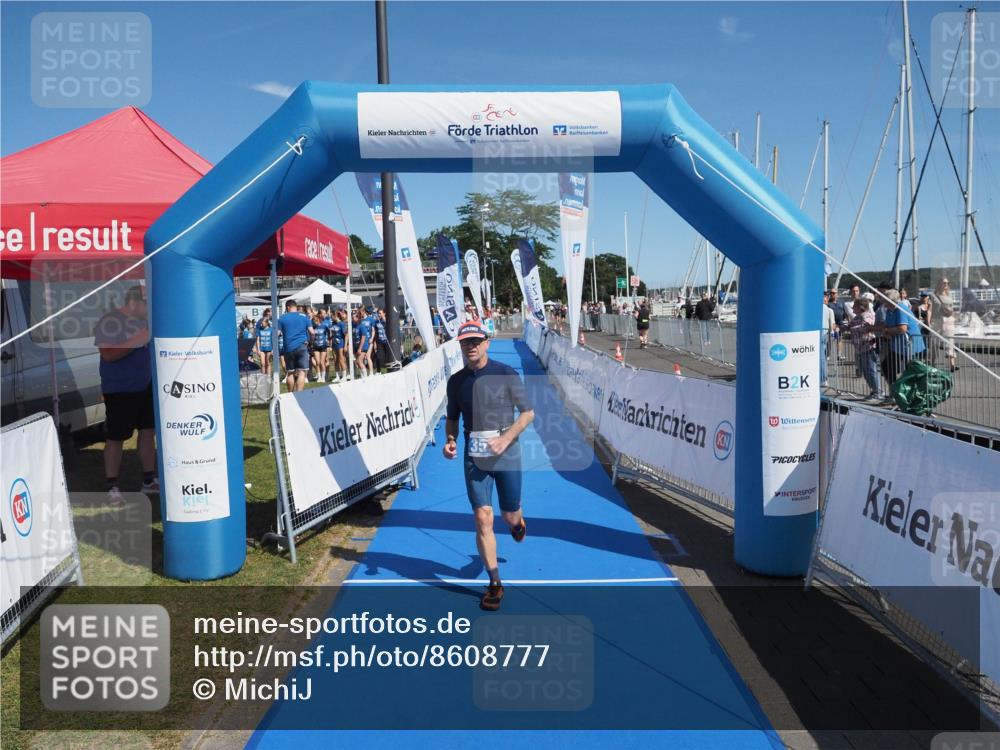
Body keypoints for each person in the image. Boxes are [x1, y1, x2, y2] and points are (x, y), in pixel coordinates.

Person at [443, 321, 535, 612]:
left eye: (475, 341)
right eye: (465, 343)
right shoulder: (456, 381)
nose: (470, 346)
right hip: (474, 455)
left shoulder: (505, 373)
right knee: (483, 518)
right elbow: (452, 418)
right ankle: (495, 583)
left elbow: (528, 413)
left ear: (487, 343)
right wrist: (450, 440)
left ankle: (518, 523)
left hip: (506, 452)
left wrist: (505, 438)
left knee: (508, 516)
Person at [93, 285, 158, 505]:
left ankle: (149, 481)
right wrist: (138, 340)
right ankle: (112, 486)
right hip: (119, 389)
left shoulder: (146, 322)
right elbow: (108, 354)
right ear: (134, 302)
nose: (149, 308)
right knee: (116, 438)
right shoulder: (109, 321)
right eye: (146, 303)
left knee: (148, 432)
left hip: (146, 386)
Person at [881, 289, 926, 386]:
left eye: (884, 299)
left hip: (910, 346)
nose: (882, 301)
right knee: (887, 366)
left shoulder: (901, 309)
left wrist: (888, 331)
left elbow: (902, 328)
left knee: (910, 372)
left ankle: (907, 393)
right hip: (898, 346)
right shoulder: (889, 310)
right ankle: (895, 390)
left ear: (890, 300)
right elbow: (887, 325)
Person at [848, 296, 882, 400]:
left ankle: (878, 391)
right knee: (865, 371)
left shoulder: (868, 316)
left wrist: (853, 328)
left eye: (855, 307)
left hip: (868, 347)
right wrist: (843, 326)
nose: (853, 309)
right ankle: (874, 390)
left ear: (861, 307)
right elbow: (850, 325)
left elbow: (868, 327)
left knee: (871, 370)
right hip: (859, 348)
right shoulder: (857, 317)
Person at [277, 299, 314, 392]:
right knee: (302, 372)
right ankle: (299, 394)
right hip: (302, 346)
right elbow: (312, 332)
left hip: (288, 348)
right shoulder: (304, 317)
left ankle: (290, 395)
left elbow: (277, 334)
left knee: (290, 373)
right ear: (295, 307)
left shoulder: (282, 318)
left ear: (288, 307)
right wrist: (310, 342)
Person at [928, 278, 957, 371]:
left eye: (947, 283)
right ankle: (931, 362)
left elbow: (952, 308)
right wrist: (928, 322)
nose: (946, 284)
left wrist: (953, 318)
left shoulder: (950, 295)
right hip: (936, 321)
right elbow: (929, 310)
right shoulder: (933, 296)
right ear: (939, 283)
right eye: (944, 282)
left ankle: (951, 364)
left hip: (948, 321)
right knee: (934, 343)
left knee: (950, 342)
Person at [821, 290, 836, 387]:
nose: (827, 298)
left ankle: (823, 378)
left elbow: (832, 325)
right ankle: (823, 378)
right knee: (823, 357)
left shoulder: (828, 309)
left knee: (822, 357)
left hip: (822, 334)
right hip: (824, 334)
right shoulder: (829, 310)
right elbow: (833, 325)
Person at [310, 312, 329, 382]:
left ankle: (323, 378)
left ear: (319, 320)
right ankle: (319, 377)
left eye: (316, 320)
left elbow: (329, 332)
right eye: (314, 320)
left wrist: (328, 340)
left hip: (323, 346)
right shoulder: (313, 327)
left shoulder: (324, 326)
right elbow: (312, 336)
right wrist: (311, 344)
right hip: (316, 346)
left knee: (322, 362)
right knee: (317, 362)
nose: (314, 322)